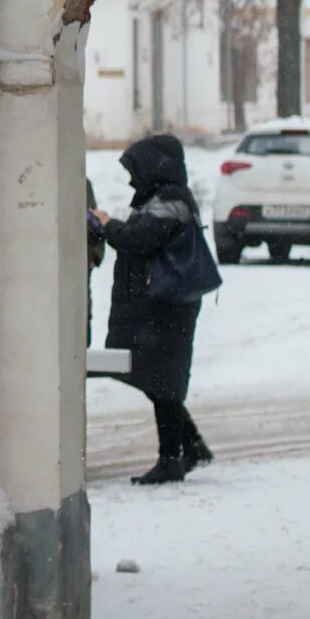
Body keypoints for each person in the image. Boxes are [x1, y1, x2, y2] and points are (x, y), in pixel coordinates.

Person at [90, 132, 216, 484]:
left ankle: (172, 457)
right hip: (158, 306)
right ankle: (189, 447)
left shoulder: (171, 201)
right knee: (155, 377)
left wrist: (106, 225)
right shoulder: (159, 198)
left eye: (135, 170)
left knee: (163, 380)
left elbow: (139, 238)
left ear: (153, 168)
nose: (131, 178)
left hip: (168, 306)